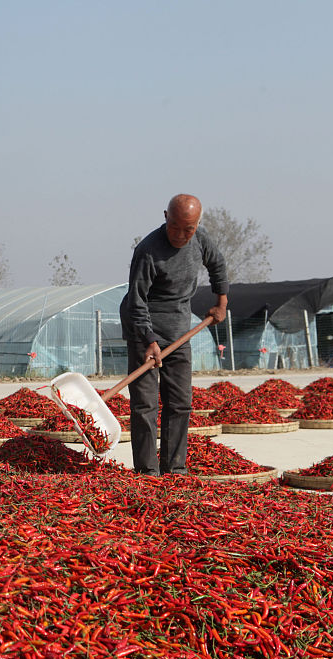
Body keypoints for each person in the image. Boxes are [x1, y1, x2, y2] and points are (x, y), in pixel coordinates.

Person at [119, 194, 228, 475]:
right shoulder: (148, 250)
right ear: (166, 216)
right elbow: (137, 300)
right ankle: (148, 471)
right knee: (145, 404)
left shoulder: (201, 240)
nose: (181, 235)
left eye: (188, 229)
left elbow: (218, 266)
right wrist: (148, 340)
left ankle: (175, 468)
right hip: (144, 328)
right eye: (175, 226)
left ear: (197, 224)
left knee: (180, 402)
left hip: (180, 329)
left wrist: (221, 302)